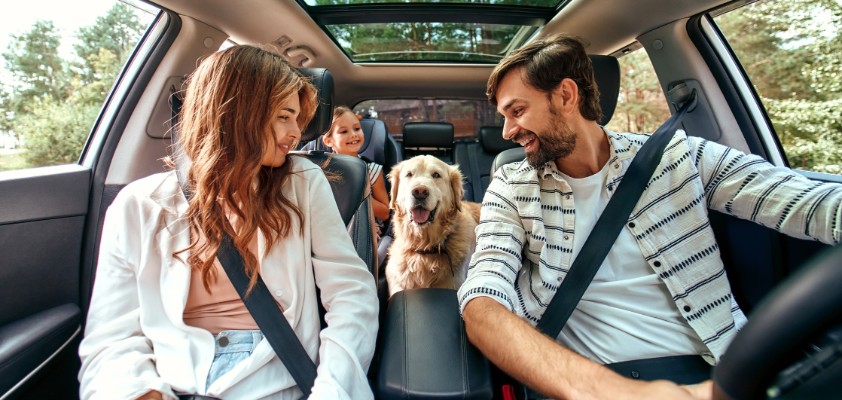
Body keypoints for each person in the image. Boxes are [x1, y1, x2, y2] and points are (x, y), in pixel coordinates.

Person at [457, 33, 842, 400]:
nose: (506, 131)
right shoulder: (510, 184)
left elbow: (810, 203)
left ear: (566, 95)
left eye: (517, 111)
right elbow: (483, 298)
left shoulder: (678, 156)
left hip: (717, 375)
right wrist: (617, 393)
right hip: (581, 378)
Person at [78, 45, 379, 400]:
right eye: (284, 116)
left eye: (297, 119)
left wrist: (333, 389)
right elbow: (112, 337)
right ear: (237, 111)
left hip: (280, 376)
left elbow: (351, 294)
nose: (297, 133)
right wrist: (139, 391)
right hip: (175, 379)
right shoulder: (137, 205)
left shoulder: (303, 181)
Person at [322, 106, 391, 236]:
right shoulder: (321, 171)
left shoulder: (372, 170)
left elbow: (385, 213)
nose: (353, 134)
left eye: (357, 129)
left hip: (364, 231)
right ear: (328, 141)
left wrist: (355, 194)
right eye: (344, 131)